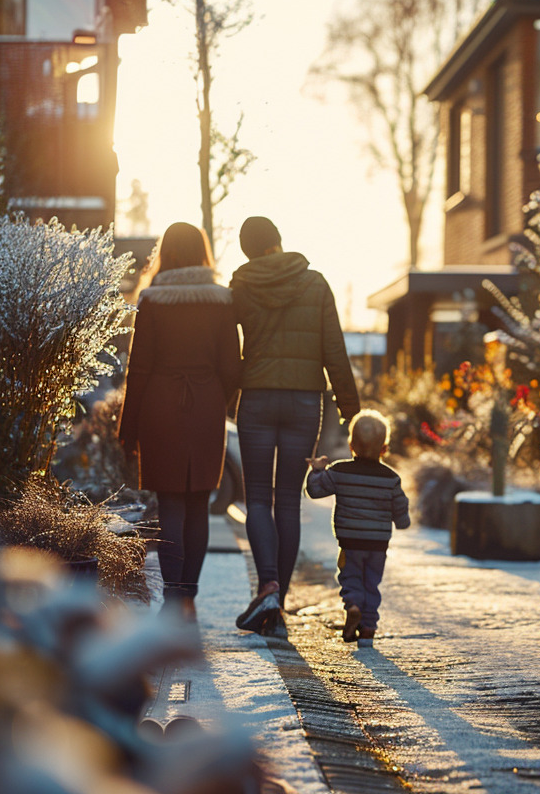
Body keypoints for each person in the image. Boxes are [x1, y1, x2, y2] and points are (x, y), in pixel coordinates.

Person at [230, 216, 361, 636]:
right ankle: (277, 604)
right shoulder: (315, 283)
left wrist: (232, 386)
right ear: (279, 242)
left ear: (248, 250)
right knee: (287, 501)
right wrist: (351, 411)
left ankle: (267, 586)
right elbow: (334, 350)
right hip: (305, 401)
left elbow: (225, 347)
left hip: (258, 399)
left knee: (257, 499)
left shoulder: (241, 285)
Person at [118, 222, 241, 622]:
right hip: (206, 406)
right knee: (199, 504)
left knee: (169, 500)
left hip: (160, 406)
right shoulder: (222, 300)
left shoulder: (152, 301)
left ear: (165, 253)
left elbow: (138, 369)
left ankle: (173, 598)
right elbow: (231, 367)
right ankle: (188, 598)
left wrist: (128, 428)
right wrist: (217, 400)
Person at [305, 409, 410, 648]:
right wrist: (402, 521)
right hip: (378, 544)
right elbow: (400, 505)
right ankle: (368, 629)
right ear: (384, 449)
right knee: (371, 582)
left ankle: (352, 605)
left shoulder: (340, 471)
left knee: (351, 576)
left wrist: (317, 470)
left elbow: (315, 490)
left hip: (350, 541)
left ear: (351, 445)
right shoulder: (391, 478)